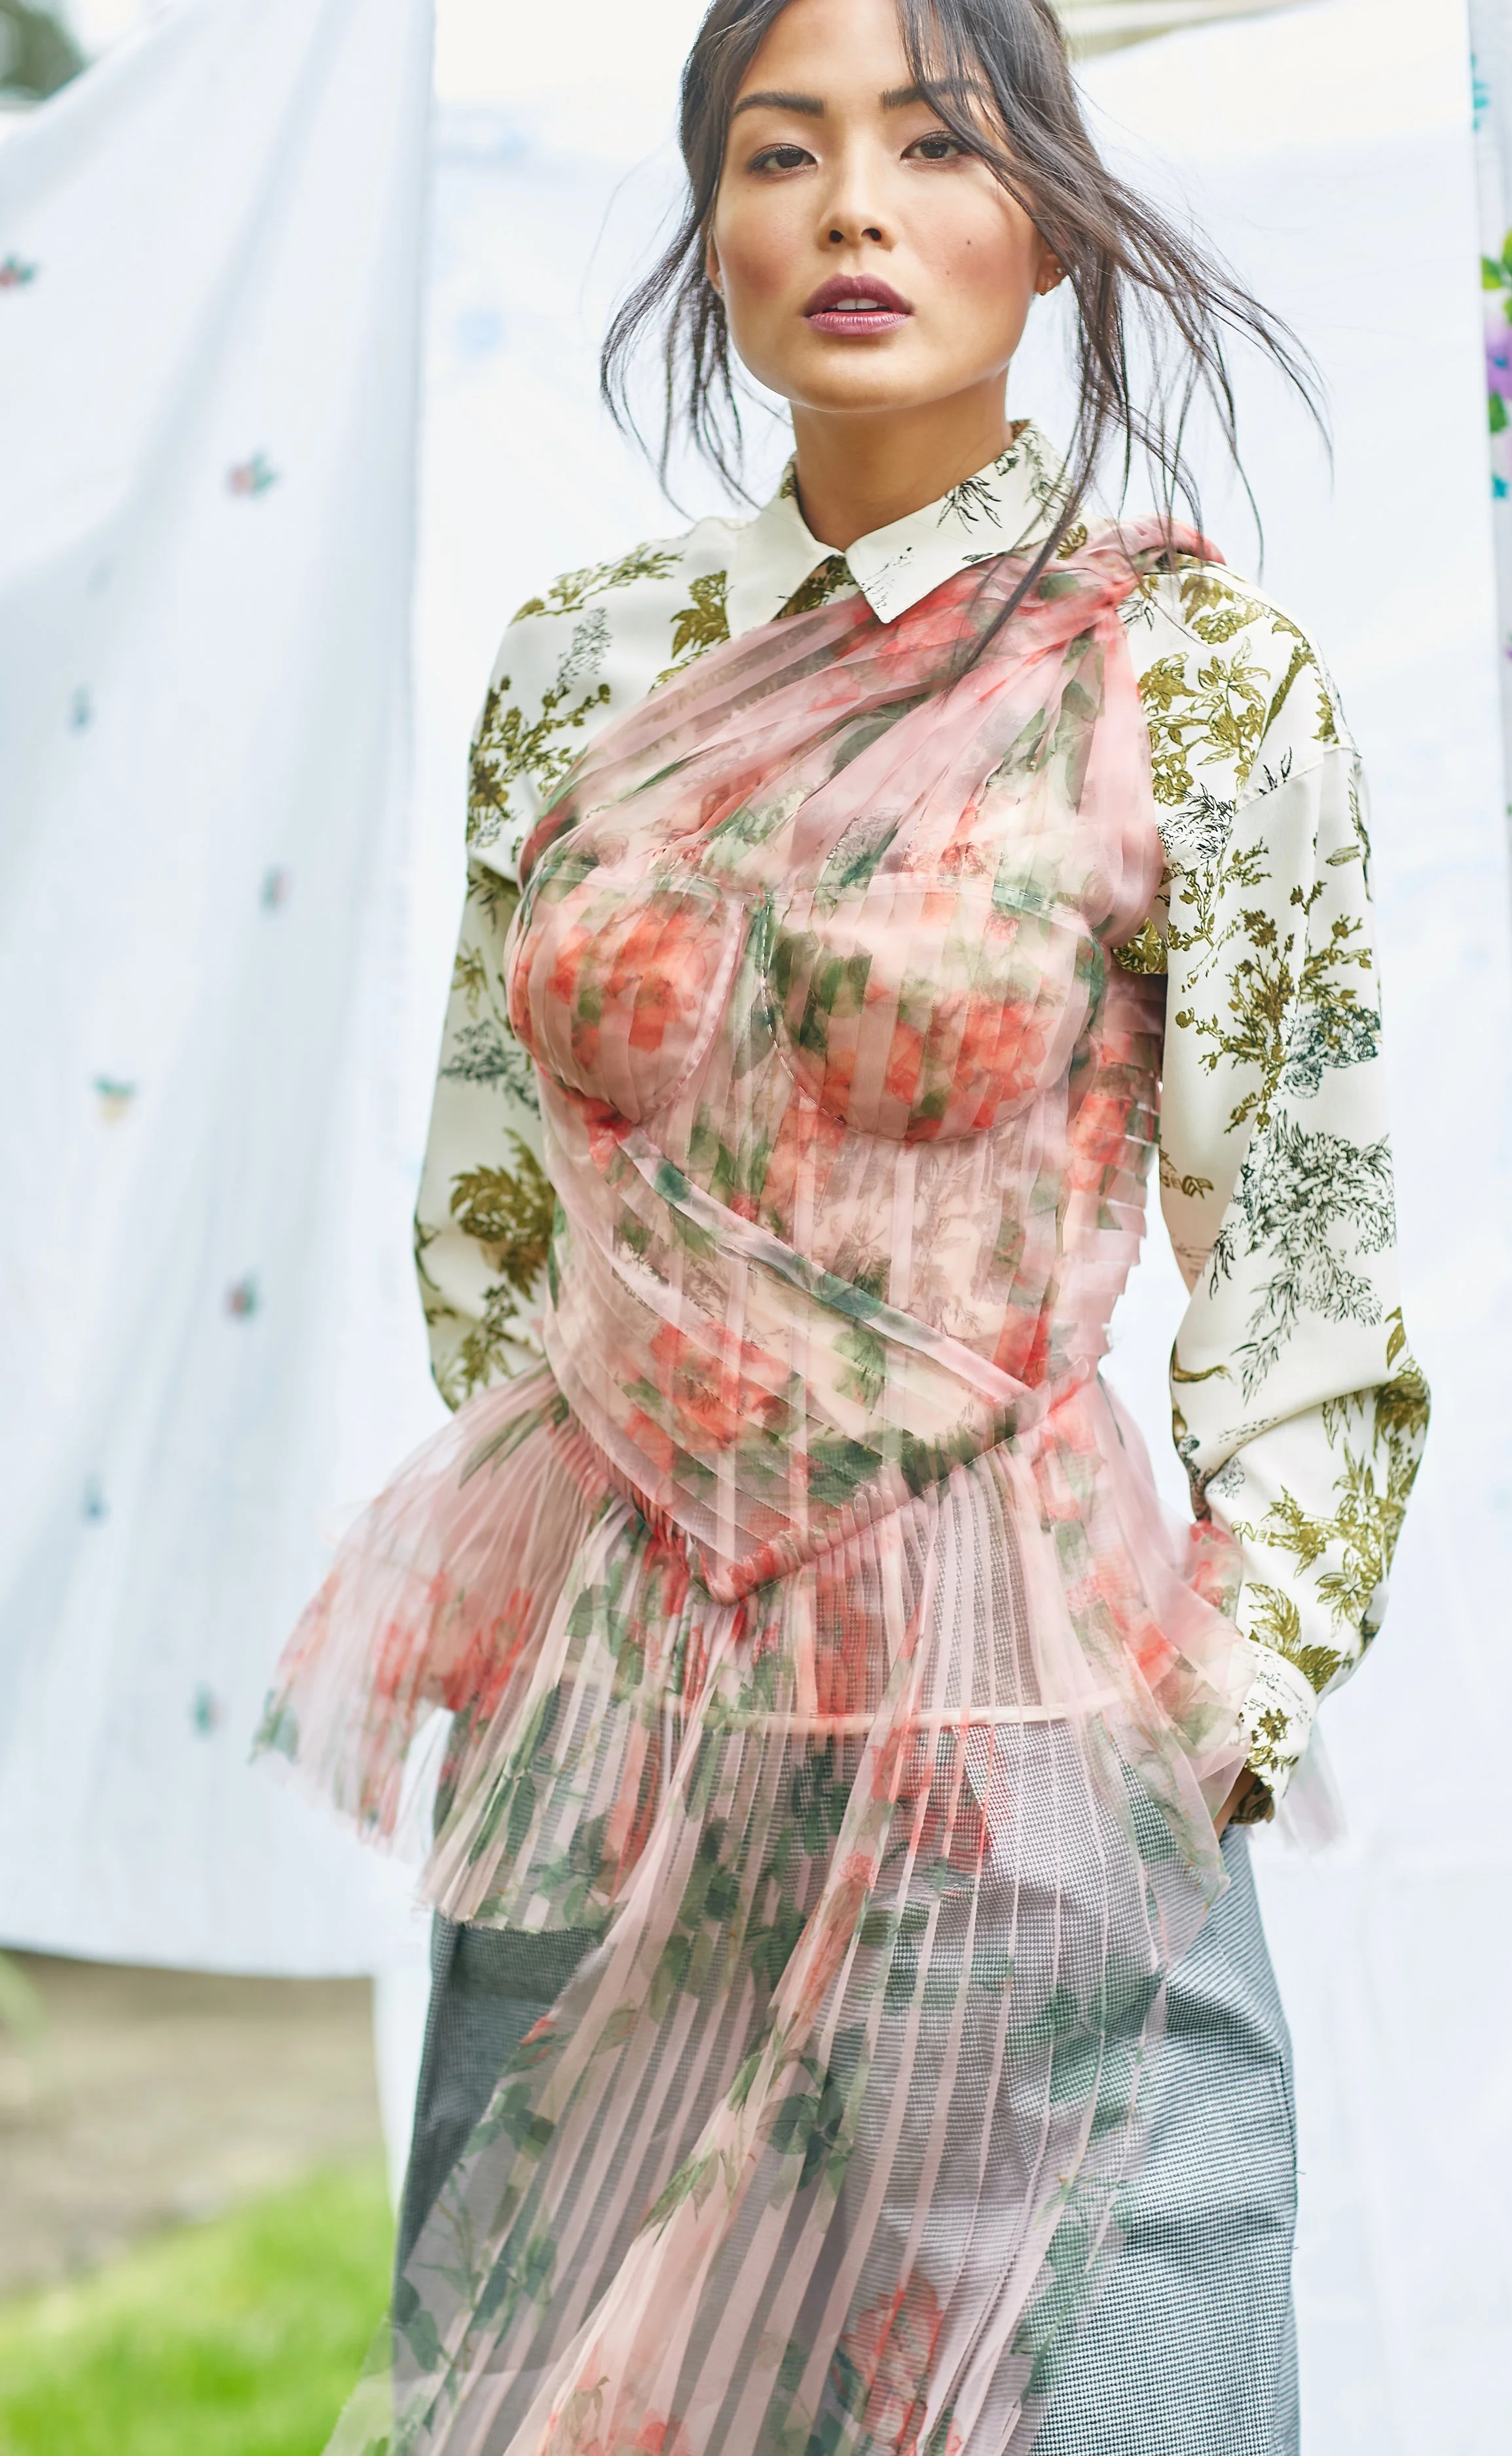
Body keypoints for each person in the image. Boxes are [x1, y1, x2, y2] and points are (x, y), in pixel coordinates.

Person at [260, 0, 1428, 2446]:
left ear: (1058, 224)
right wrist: (561, 1596)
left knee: (1091, 2395)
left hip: (1023, 1743)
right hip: (623, 1727)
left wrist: (1196, 1729)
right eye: (780, 153)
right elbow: (496, 1196)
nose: (853, 208)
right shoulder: (584, 663)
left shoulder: (1191, 679)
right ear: (711, 229)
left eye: (933, 144)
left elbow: (1304, 1272)